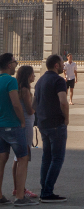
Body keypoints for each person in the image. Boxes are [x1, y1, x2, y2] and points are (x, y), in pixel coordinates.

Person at [34, 54, 69, 203]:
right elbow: (63, 102)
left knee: (46, 158)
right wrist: (66, 118)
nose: (64, 65)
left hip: (43, 123)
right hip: (56, 124)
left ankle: (44, 189)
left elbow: (34, 103)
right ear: (56, 65)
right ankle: (47, 192)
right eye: (62, 63)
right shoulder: (58, 80)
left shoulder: (40, 80)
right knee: (57, 158)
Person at [0, 53, 32, 206]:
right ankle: (20, 196)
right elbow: (15, 103)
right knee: (22, 158)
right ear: (8, 65)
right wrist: (22, 121)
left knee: (1, 160)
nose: (15, 65)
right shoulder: (11, 81)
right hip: (12, 124)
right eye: (14, 62)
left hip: (0, 125)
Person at [11, 65, 36, 201]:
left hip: (21, 124)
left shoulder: (18, 88)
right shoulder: (25, 90)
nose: (34, 76)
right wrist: (37, 105)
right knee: (23, 157)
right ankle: (21, 189)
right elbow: (30, 109)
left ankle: (17, 188)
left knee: (18, 157)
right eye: (32, 74)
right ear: (27, 75)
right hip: (26, 124)